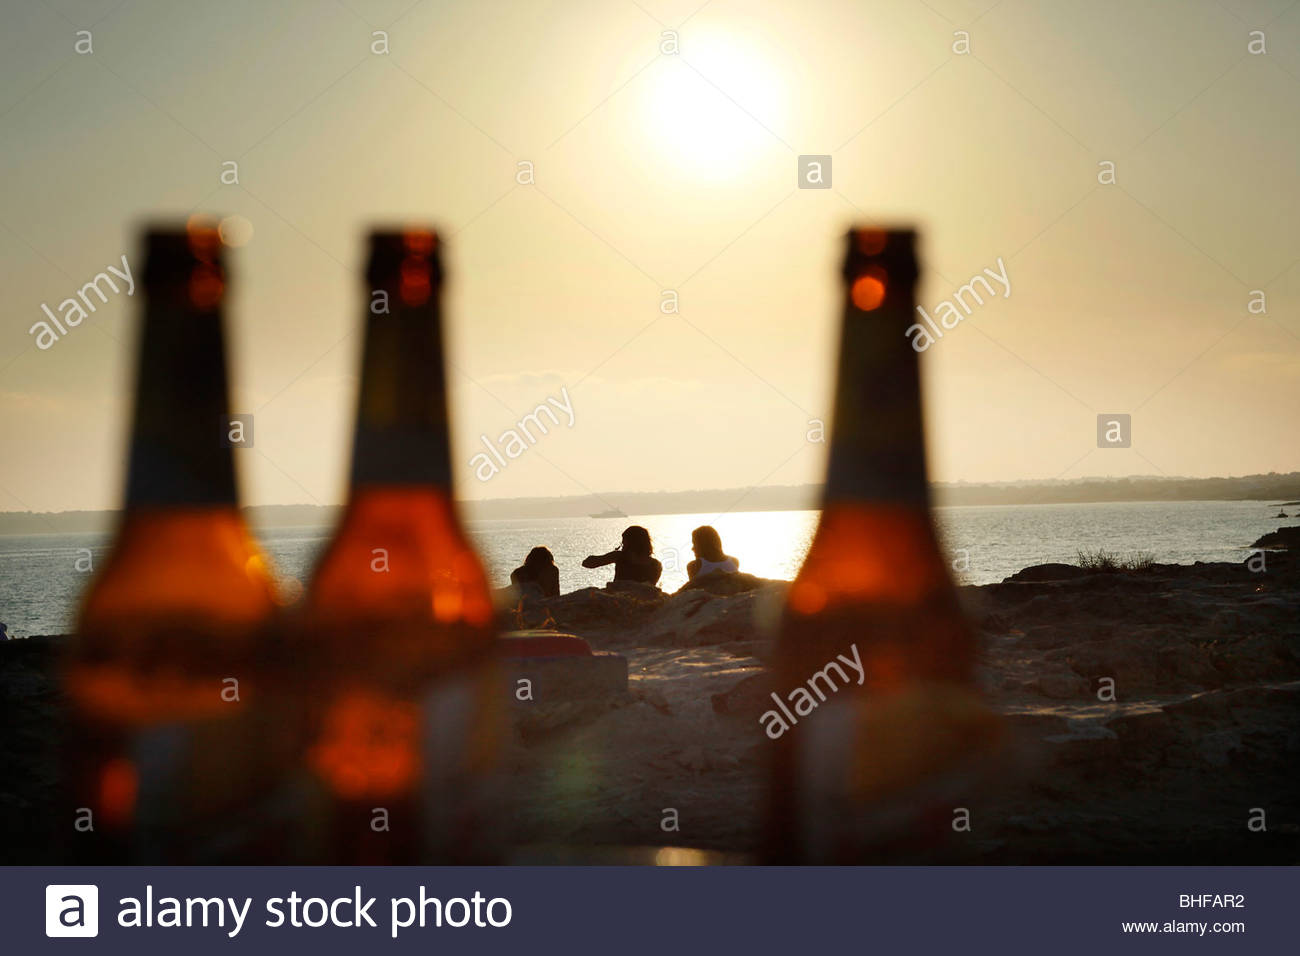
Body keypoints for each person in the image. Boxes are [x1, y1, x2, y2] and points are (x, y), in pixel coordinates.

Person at [582, 525, 662, 586]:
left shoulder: (620, 557)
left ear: (629, 541)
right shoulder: (656, 564)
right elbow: (650, 587)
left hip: (618, 597)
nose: (622, 543)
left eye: (624, 539)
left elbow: (587, 563)